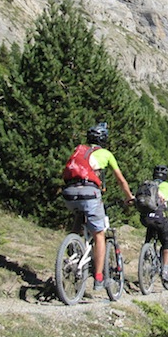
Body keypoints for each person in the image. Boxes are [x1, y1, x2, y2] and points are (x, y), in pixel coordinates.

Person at [61, 121, 134, 291]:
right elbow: (120, 180)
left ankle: (73, 252)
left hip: (69, 193)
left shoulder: (79, 149)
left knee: (78, 221)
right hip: (90, 193)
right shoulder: (106, 154)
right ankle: (99, 277)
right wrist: (129, 197)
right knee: (99, 235)